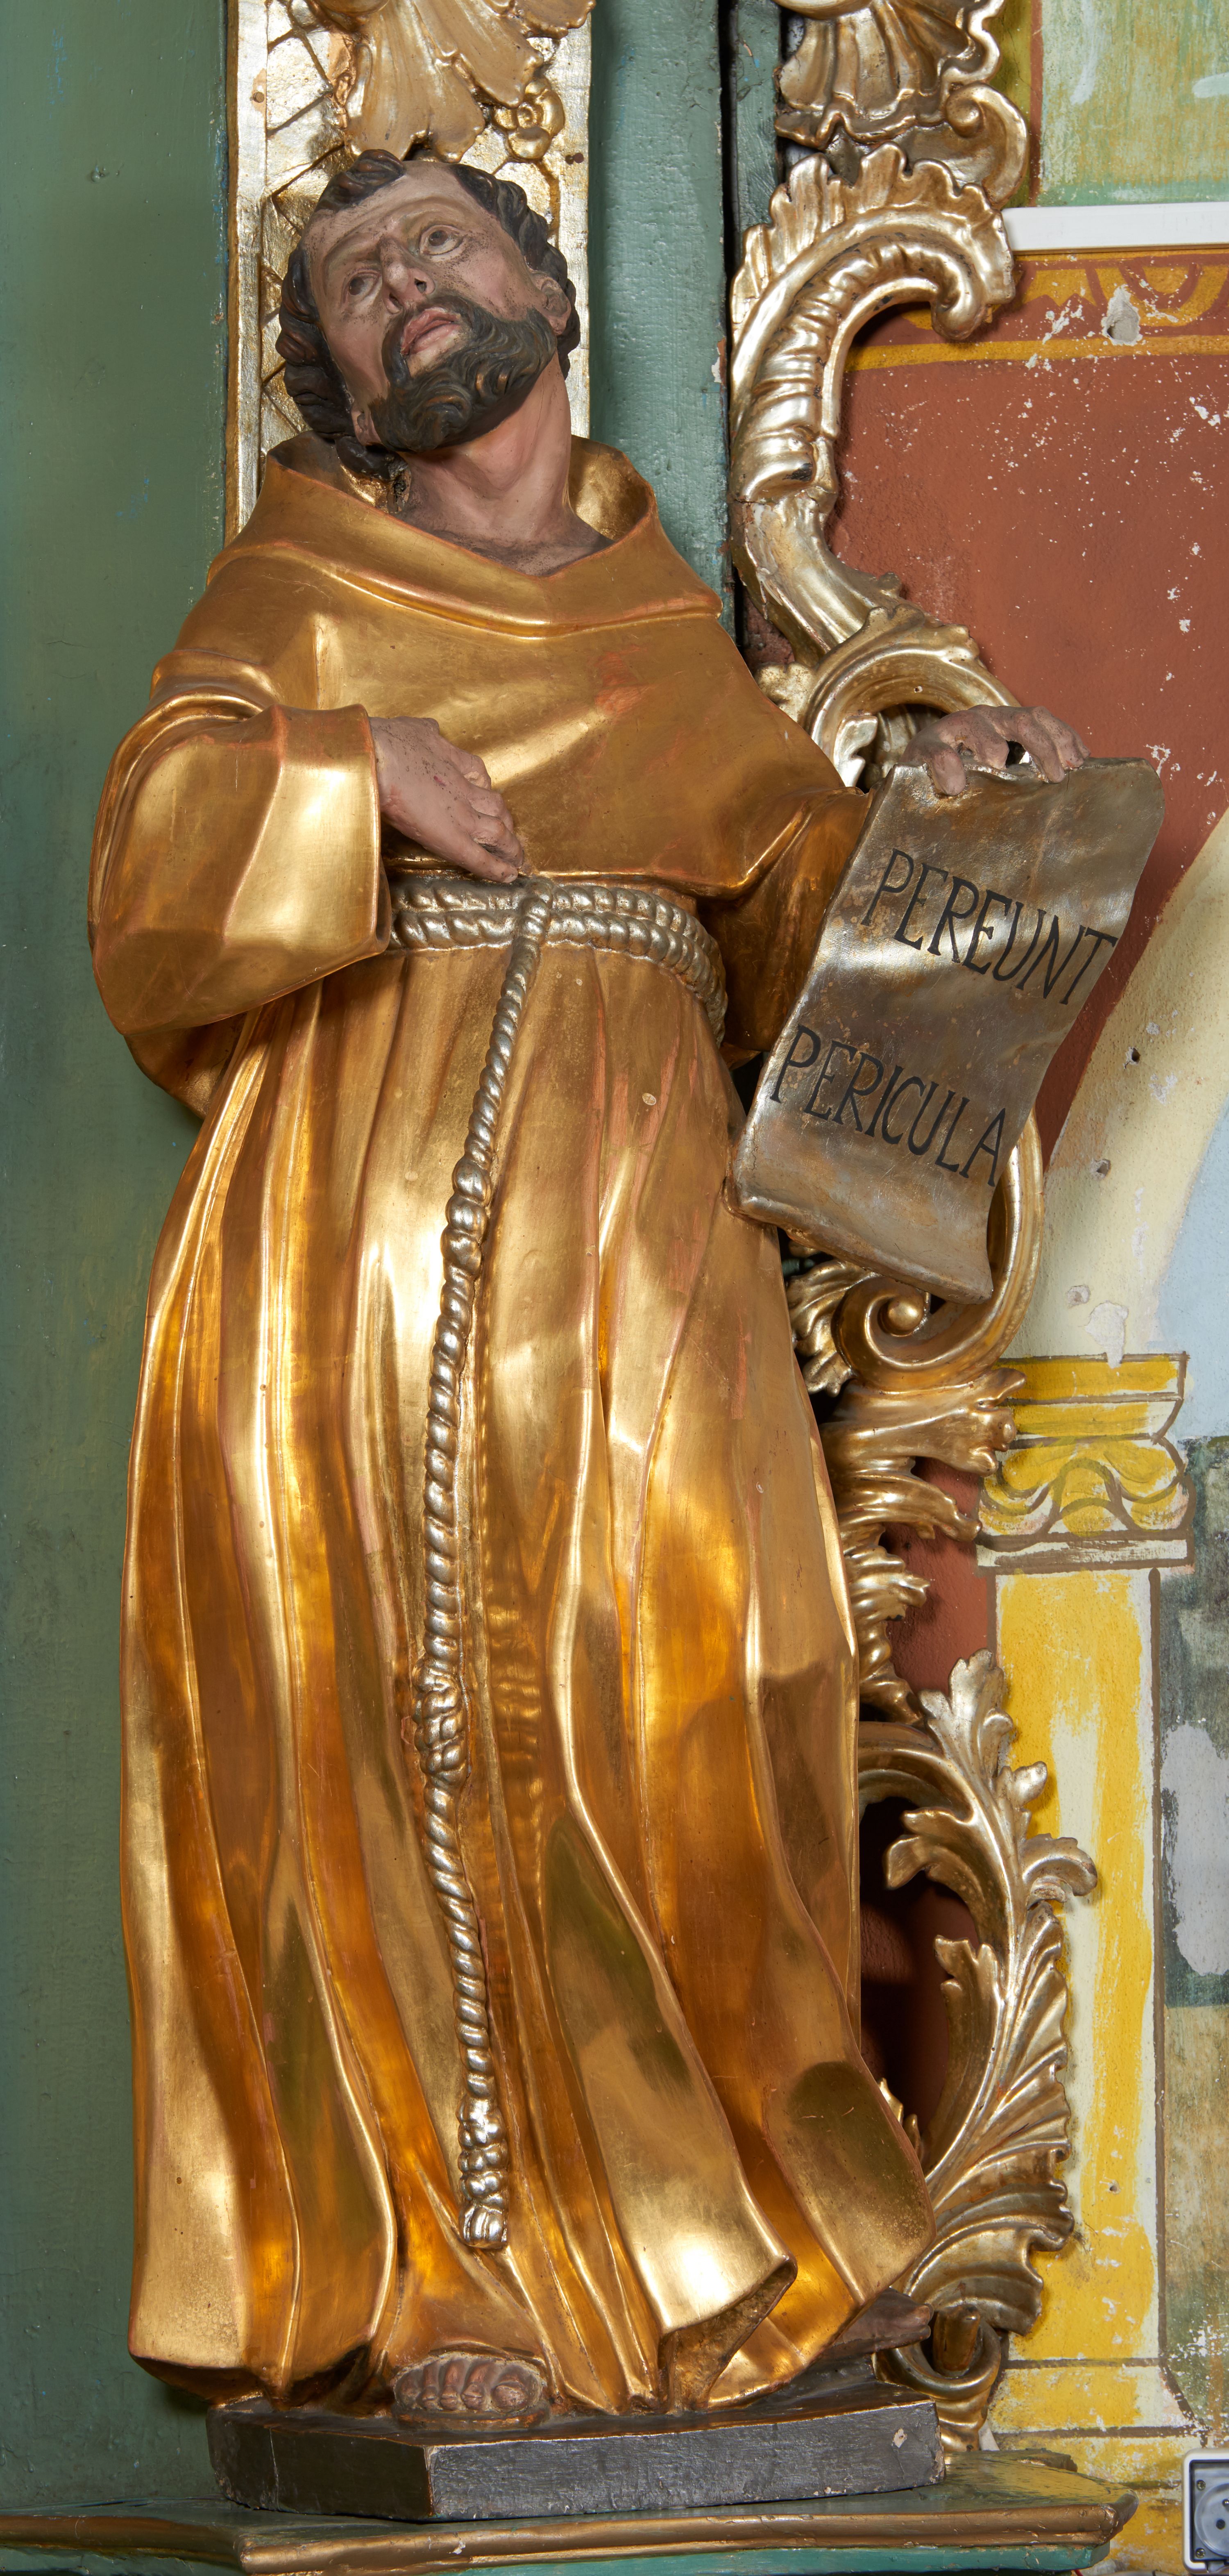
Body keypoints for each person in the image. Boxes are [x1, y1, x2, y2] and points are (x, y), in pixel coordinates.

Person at [89, 149, 1087, 2423]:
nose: (406, 286)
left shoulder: (663, 615)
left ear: (549, 293)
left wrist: (953, 821)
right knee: (416, 1697)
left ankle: (756, 2244)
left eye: (444, 243)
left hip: (652, 1243)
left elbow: (795, 932)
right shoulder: (297, 584)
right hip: (363, 1225)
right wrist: (351, 767)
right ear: (336, 382)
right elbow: (149, 867)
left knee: (720, 1684)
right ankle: (467, 2281)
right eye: (356, 280)